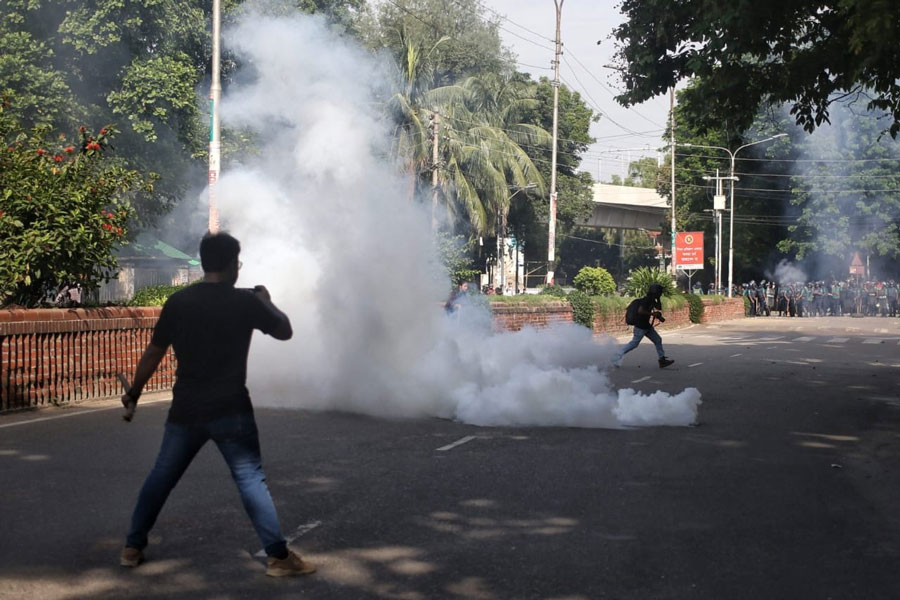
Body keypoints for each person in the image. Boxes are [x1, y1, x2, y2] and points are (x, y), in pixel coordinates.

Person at [118, 232, 316, 578]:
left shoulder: (179, 302)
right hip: (231, 408)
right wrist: (267, 301)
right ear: (232, 265)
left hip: (186, 409)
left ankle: (132, 547)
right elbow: (285, 331)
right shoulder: (246, 302)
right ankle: (278, 557)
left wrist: (134, 392)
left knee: (161, 477)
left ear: (205, 261)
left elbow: (153, 352)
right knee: (250, 480)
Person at [613, 283, 674, 369]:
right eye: (659, 292)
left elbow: (659, 307)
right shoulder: (647, 300)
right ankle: (617, 355)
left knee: (658, 340)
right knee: (634, 344)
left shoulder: (652, 300)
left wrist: (658, 299)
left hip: (646, 326)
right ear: (656, 292)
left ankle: (662, 360)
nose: (660, 294)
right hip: (640, 326)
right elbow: (640, 311)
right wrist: (652, 314)